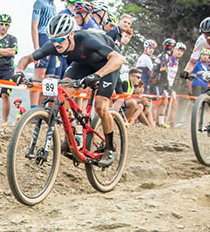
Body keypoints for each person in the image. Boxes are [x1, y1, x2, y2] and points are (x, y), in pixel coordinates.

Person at [13, 13, 126, 166]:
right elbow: (26, 59)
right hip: (83, 63)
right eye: (53, 40)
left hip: (106, 63)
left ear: (71, 35)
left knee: (100, 105)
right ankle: (72, 134)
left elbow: (119, 59)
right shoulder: (55, 45)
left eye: (60, 40)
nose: (56, 44)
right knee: (62, 91)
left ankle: (110, 147)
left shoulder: (87, 41)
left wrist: (97, 75)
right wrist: (19, 72)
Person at [30, 0, 66, 108]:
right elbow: (34, 26)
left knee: (49, 79)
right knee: (38, 77)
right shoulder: (40, 2)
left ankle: (43, 109)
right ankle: (33, 109)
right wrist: (36, 48)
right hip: (42, 38)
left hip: (52, 41)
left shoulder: (54, 6)